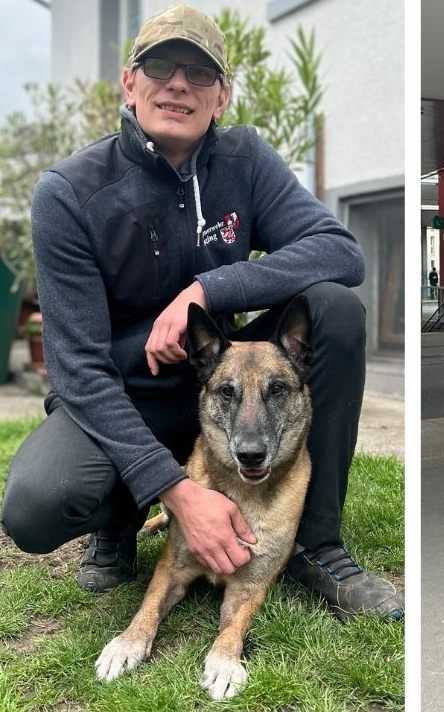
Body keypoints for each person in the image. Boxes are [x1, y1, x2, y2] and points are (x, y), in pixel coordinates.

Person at [0, 4, 402, 622]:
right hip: (126, 391)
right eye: (160, 66)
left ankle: (316, 544)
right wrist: (178, 492)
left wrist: (208, 290)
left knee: (335, 308)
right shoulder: (69, 193)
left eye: (200, 72)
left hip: (224, 382)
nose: (179, 84)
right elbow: (77, 369)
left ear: (222, 97)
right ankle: (122, 521)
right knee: (36, 503)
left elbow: (340, 252)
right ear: (130, 83)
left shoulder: (245, 160)